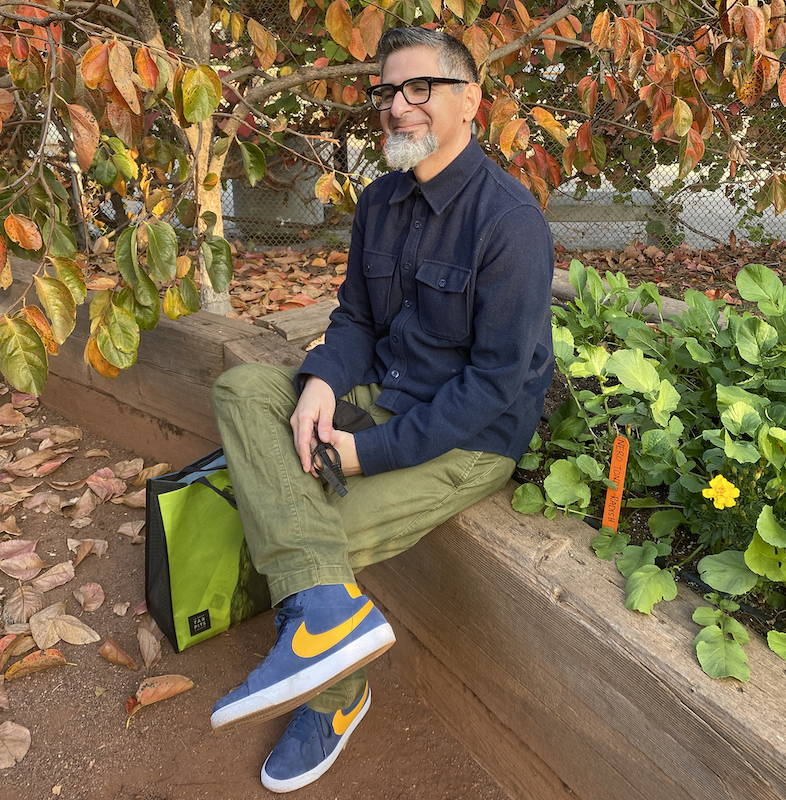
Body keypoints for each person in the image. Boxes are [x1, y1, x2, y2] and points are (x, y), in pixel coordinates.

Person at [209, 27, 554, 794]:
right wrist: (325, 385)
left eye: (418, 89)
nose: (397, 107)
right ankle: (329, 613)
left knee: (314, 534)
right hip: (379, 393)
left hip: (470, 438)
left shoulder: (511, 224)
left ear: (471, 102)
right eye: (387, 92)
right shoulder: (380, 200)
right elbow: (357, 321)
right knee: (242, 391)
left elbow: (497, 385)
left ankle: (335, 695)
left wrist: (368, 454)